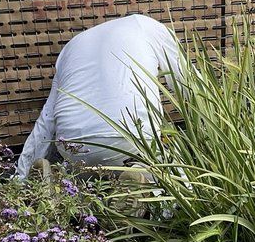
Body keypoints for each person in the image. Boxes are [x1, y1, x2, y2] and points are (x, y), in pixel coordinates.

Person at [15, 13, 185, 181]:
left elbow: (46, 120)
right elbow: (187, 87)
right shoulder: (147, 25)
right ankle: (142, 183)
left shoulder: (72, 45)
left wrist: (20, 178)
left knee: (79, 175)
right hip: (130, 142)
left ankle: (53, 182)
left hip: (72, 148)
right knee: (173, 164)